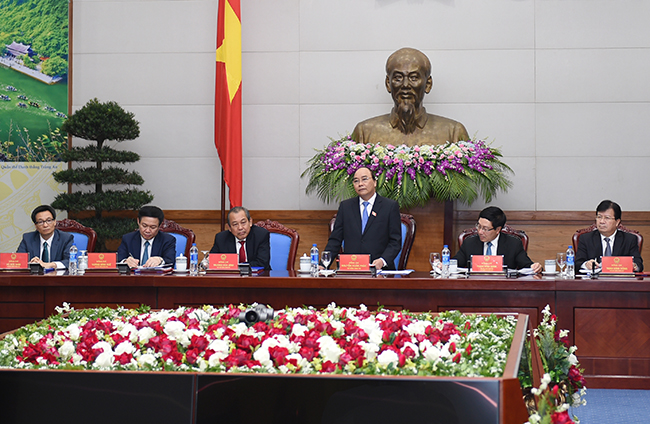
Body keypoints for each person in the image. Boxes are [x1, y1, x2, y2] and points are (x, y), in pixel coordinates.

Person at [352, 47, 469, 147]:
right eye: (398, 78)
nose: (405, 85)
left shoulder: (453, 132)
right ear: (388, 83)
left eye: (414, 78)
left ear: (428, 84)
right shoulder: (365, 132)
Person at [323, 167, 402, 270]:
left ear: (375, 182)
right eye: (356, 181)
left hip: (380, 271)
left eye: (364, 179)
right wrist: (323, 265)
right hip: (352, 269)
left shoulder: (389, 206)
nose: (360, 184)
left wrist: (382, 261)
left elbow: (395, 242)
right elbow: (335, 240)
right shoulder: (346, 207)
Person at [454, 206, 542, 273]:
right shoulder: (469, 243)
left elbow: (527, 266)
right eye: (479, 226)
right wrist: (447, 265)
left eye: (485, 229)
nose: (480, 232)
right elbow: (455, 263)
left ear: (498, 230)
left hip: (504, 288)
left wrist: (536, 267)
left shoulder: (513, 244)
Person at [576, 200, 643, 272]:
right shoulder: (586, 238)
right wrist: (586, 264)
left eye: (607, 218)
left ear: (617, 222)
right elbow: (577, 263)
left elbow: (639, 264)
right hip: (595, 279)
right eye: (599, 217)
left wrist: (633, 266)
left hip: (620, 278)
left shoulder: (629, 239)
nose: (602, 221)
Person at [17, 205, 74, 269]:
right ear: (36, 225)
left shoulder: (66, 238)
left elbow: (70, 261)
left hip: (57, 275)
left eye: (49, 220)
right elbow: (19, 260)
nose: (45, 225)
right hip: (35, 275)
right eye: (40, 222)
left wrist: (52, 265)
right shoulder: (28, 238)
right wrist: (32, 263)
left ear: (55, 222)